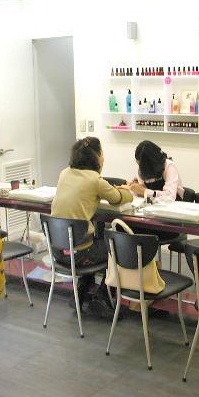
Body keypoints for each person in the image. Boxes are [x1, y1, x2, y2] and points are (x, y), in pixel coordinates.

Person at [51, 136, 132, 318]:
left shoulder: (64, 173)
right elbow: (119, 198)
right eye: (102, 153)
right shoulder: (95, 180)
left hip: (58, 251)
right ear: (96, 157)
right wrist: (127, 190)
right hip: (80, 255)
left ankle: (81, 290)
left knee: (88, 241)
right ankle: (103, 297)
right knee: (118, 249)